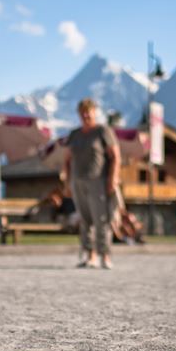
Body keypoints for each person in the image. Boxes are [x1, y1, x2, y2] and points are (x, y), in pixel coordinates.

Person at [63, 98, 121, 269]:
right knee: (85, 219)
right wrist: (67, 181)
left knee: (101, 219)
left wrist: (113, 178)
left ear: (95, 112)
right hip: (78, 181)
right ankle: (90, 256)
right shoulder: (74, 134)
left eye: (89, 111)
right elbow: (66, 159)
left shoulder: (103, 131)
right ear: (79, 114)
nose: (86, 115)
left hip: (99, 180)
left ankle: (105, 256)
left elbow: (115, 157)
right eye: (83, 112)